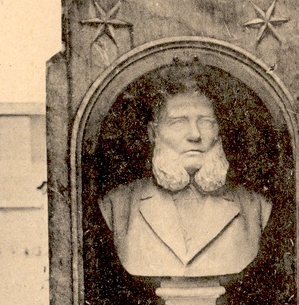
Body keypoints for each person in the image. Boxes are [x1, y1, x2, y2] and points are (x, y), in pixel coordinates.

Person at [99, 68, 271, 279]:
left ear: (218, 131)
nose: (195, 134)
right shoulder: (119, 206)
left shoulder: (254, 207)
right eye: (179, 122)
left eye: (205, 122)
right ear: (153, 133)